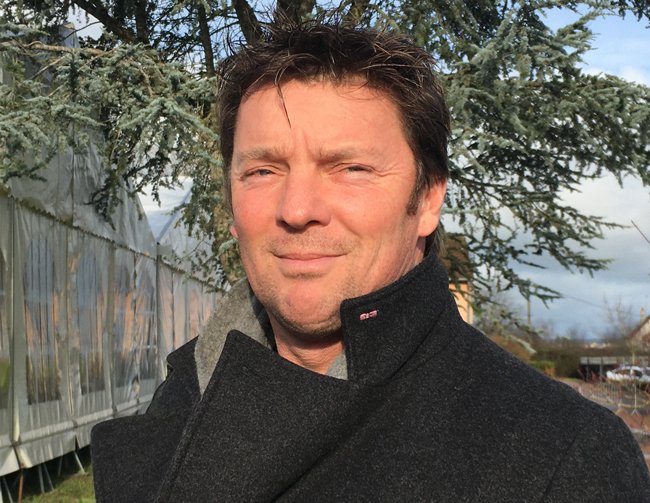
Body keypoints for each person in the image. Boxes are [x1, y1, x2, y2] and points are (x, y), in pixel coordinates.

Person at [91, 18, 650, 502]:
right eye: (263, 171)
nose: (297, 209)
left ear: (427, 199)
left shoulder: (564, 457)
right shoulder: (187, 392)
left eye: (351, 169)